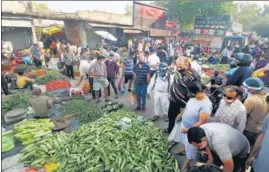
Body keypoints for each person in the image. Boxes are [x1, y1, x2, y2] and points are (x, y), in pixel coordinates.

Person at [175, 82, 212, 172]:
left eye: (189, 91)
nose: (188, 93)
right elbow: (187, 106)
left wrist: (189, 130)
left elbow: (202, 121)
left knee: (191, 148)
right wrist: (180, 114)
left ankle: (186, 164)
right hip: (185, 126)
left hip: (192, 130)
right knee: (184, 140)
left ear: (195, 92)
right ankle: (183, 149)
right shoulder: (193, 98)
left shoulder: (205, 104)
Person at [165, 56, 200, 133]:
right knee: (171, 115)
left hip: (183, 102)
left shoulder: (193, 75)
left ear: (186, 64)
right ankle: (170, 129)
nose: (177, 66)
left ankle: (177, 136)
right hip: (173, 99)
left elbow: (195, 92)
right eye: (177, 65)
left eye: (179, 65)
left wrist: (188, 104)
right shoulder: (179, 70)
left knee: (180, 119)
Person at [243, 77, 269, 146]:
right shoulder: (267, 95)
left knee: (245, 145)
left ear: (251, 90)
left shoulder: (250, 100)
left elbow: (243, 116)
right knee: (254, 144)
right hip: (261, 129)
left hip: (249, 129)